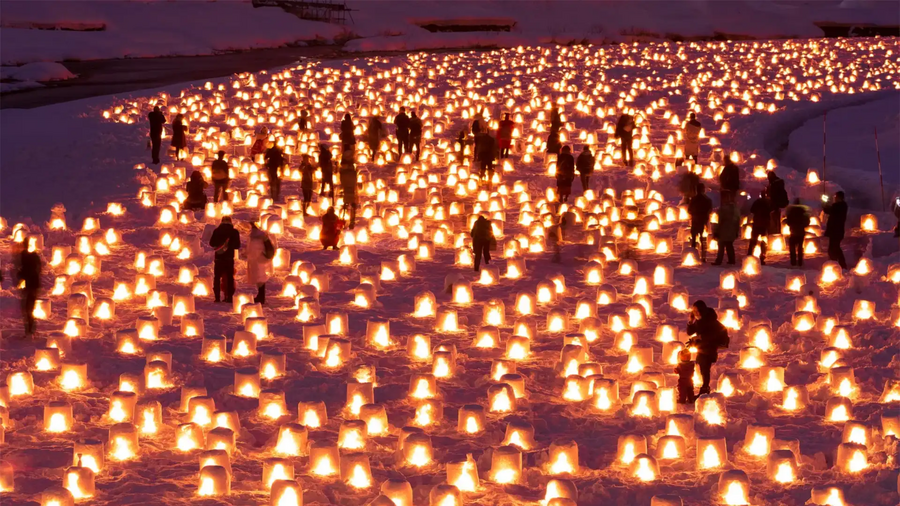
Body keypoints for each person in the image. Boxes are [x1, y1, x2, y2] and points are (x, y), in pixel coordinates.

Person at [685, 300, 727, 396]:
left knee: (705, 367)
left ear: (701, 310)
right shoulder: (699, 319)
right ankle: (705, 387)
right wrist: (691, 321)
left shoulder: (709, 319)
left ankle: (705, 388)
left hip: (710, 348)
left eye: (696, 310)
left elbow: (713, 334)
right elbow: (690, 332)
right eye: (693, 311)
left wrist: (699, 337)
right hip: (703, 347)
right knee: (702, 366)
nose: (694, 312)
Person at [209, 216, 240, 303]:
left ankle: (217, 297)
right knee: (230, 278)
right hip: (229, 259)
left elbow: (211, 243)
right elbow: (237, 246)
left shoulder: (217, 231)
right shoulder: (234, 232)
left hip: (219, 258)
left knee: (217, 278)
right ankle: (229, 297)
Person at [16, 242, 41, 338]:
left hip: (31, 286)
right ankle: (29, 330)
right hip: (32, 286)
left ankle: (30, 331)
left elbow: (26, 272)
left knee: (28, 309)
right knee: (28, 309)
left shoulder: (27, 258)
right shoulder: (32, 257)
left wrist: (20, 274)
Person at [246, 223, 274, 304]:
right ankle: (260, 296)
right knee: (260, 280)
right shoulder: (262, 235)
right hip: (261, 260)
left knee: (260, 280)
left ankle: (261, 297)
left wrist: (248, 254)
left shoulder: (255, 237)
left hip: (258, 261)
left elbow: (253, 249)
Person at [713, 191, 740, 265]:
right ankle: (731, 259)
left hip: (723, 230)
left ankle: (719, 260)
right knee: (729, 245)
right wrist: (736, 231)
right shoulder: (735, 209)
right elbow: (737, 221)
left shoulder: (722, 209)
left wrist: (716, 231)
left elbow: (719, 221)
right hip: (732, 230)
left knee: (721, 245)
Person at [823, 191, 848, 269]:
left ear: (838, 197)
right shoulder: (843, 206)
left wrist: (824, 203)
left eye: (835, 197)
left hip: (835, 231)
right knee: (835, 248)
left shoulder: (838, 206)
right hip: (838, 231)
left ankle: (837, 265)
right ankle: (839, 264)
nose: (834, 198)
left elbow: (828, 210)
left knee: (833, 249)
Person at [688, 183, 713, 261]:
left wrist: (694, 214)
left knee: (694, 239)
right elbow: (710, 210)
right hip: (703, 221)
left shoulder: (693, 199)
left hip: (695, 221)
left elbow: (689, 210)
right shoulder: (707, 200)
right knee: (702, 239)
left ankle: (693, 256)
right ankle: (703, 257)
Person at [747, 191, 771, 265]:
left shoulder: (757, 202)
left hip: (757, 223)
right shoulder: (768, 202)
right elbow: (771, 211)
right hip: (764, 224)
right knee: (763, 241)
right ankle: (762, 257)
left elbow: (752, 210)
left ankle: (749, 255)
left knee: (753, 240)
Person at [785, 198, 810, 267]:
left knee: (792, 247)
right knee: (800, 247)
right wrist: (802, 225)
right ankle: (800, 262)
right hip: (801, 232)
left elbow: (788, 222)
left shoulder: (791, 212)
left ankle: (793, 262)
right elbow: (807, 222)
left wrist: (792, 225)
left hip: (793, 231)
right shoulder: (803, 212)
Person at [340, 159, 359, 229]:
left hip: (346, 191)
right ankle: (352, 221)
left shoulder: (344, 174)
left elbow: (342, 181)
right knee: (352, 208)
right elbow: (355, 183)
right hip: (352, 192)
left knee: (345, 206)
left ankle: (343, 219)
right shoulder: (353, 174)